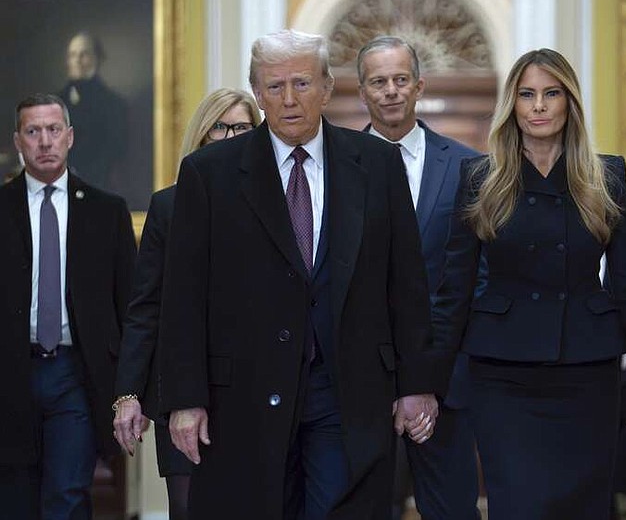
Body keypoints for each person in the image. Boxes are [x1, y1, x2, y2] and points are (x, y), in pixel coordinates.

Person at [157, 29, 442, 520]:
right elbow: (184, 297)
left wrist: (415, 383)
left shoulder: (377, 164)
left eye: (302, 84)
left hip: (346, 389)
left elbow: (407, 284)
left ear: (328, 87)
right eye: (274, 87)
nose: (288, 100)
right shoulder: (208, 173)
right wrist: (185, 398)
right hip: (242, 395)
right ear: (258, 93)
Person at [430, 48, 626, 520]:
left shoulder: (606, 176)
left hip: (586, 372)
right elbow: (453, 291)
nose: (539, 105)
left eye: (551, 93)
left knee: (582, 507)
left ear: (569, 103)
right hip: (503, 375)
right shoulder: (481, 178)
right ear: (513, 105)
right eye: (527, 94)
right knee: (518, 505)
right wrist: (426, 384)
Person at [111, 88, 261, 520]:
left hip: (255, 386)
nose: (230, 135)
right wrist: (127, 393)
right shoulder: (169, 205)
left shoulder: (280, 203)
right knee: (189, 508)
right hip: (182, 384)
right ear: (202, 134)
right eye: (220, 126)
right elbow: (146, 308)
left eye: (242, 127)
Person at [357, 35, 482, 520]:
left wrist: (433, 377)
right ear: (363, 91)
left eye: (400, 80)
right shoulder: (331, 166)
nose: (390, 91)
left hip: (447, 385)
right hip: (359, 388)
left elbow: (474, 279)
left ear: (419, 86)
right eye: (378, 82)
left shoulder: (469, 167)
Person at [0, 93, 136, 519]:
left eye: (53, 130)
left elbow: (130, 307)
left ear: (70, 137)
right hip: (10, 373)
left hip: (74, 373)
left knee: (67, 497)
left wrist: (129, 389)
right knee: (15, 501)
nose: (44, 141)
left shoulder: (106, 212)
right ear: (17, 140)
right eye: (33, 131)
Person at [58, 32, 128, 194]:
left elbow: (114, 152)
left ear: (97, 58)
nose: (77, 60)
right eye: (73, 55)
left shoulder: (114, 105)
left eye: (84, 54)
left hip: (97, 188)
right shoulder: (54, 102)